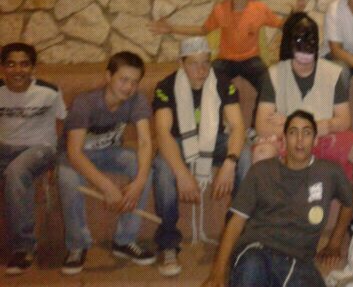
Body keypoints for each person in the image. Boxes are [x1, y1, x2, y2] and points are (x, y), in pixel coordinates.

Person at [202, 110, 353, 287]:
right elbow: (236, 223)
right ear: (284, 139)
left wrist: (335, 243)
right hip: (257, 250)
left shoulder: (329, 172)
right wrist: (217, 272)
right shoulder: (261, 171)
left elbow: (349, 201)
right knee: (251, 268)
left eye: (306, 133)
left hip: (299, 261)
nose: (299, 140)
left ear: (315, 140)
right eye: (293, 133)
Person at [152, 37, 251, 277]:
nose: (202, 70)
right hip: (179, 143)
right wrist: (182, 173)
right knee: (163, 166)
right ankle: (168, 243)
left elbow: (238, 127)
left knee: (246, 155)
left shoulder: (223, 84)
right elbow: (163, 133)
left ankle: (236, 235)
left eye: (206, 62)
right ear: (181, 63)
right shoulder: (166, 87)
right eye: (194, 63)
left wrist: (230, 163)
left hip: (213, 141)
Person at [57, 51, 155, 275]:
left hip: (111, 152)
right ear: (108, 76)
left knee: (144, 169)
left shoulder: (137, 100)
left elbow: (144, 142)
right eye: (123, 79)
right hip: (77, 156)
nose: (128, 87)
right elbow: (74, 153)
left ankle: (124, 240)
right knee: (68, 179)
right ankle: (77, 245)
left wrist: (139, 181)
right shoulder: (85, 102)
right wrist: (107, 186)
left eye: (134, 82)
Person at [149, 0, 307, 94]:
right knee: (208, 84)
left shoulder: (260, 9)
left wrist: (296, 12)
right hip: (225, 61)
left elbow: (283, 25)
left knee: (269, 86)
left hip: (251, 60)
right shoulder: (220, 9)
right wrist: (171, 28)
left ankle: (258, 121)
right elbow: (203, 30)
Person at [253, 13, 353, 180]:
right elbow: (262, 125)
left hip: (324, 137)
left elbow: (344, 120)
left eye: (310, 41)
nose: (305, 50)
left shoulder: (333, 73)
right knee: (262, 153)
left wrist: (311, 126)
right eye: (299, 41)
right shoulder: (274, 74)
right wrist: (298, 132)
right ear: (291, 45)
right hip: (287, 139)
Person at [0, 43, 67, 275]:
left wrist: (58, 157)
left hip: (40, 148)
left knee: (16, 172)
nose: (18, 70)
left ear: (33, 68)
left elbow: (62, 122)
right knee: (15, 169)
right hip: (4, 148)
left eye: (24, 64)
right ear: (2, 68)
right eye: (11, 64)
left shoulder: (49, 92)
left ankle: (24, 247)